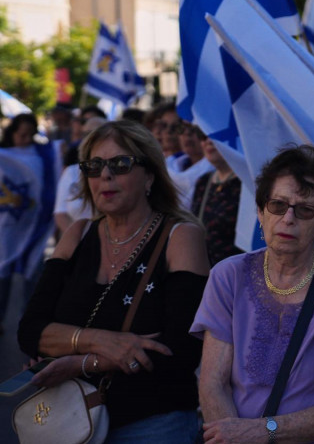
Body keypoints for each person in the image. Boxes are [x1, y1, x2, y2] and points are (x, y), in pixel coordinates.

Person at [18, 120, 209, 442]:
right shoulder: (77, 235)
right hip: (70, 422)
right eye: (94, 166)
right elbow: (30, 331)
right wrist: (106, 343)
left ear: (149, 175)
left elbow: (181, 350)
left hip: (153, 421)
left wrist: (80, 362)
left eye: (120, 164)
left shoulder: (181, 237)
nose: (105, 175)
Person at [191, 145, 314, 444]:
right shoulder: (228, 276)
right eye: (278, 205)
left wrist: (262, 431)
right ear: (260, 212)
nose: (288, 218)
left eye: (304, 210)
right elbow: (213, 382)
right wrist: (234, 436)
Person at [1, 113, 61, 332]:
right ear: (12, 133)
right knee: (2, 276)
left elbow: (58, 155)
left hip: (35, 228)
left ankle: (28, 323)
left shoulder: (43, 155)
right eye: (21, 134)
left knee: (32, 276)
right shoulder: (4, 157)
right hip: (6, 229)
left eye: (30, 134)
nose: (25, 139)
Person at [191, 133, 242, 267]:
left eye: (215, 134)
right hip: (205, 273)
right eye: (202, 135)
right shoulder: (203, 181)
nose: (208, 141)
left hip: (235, 273)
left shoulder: (246, 182)